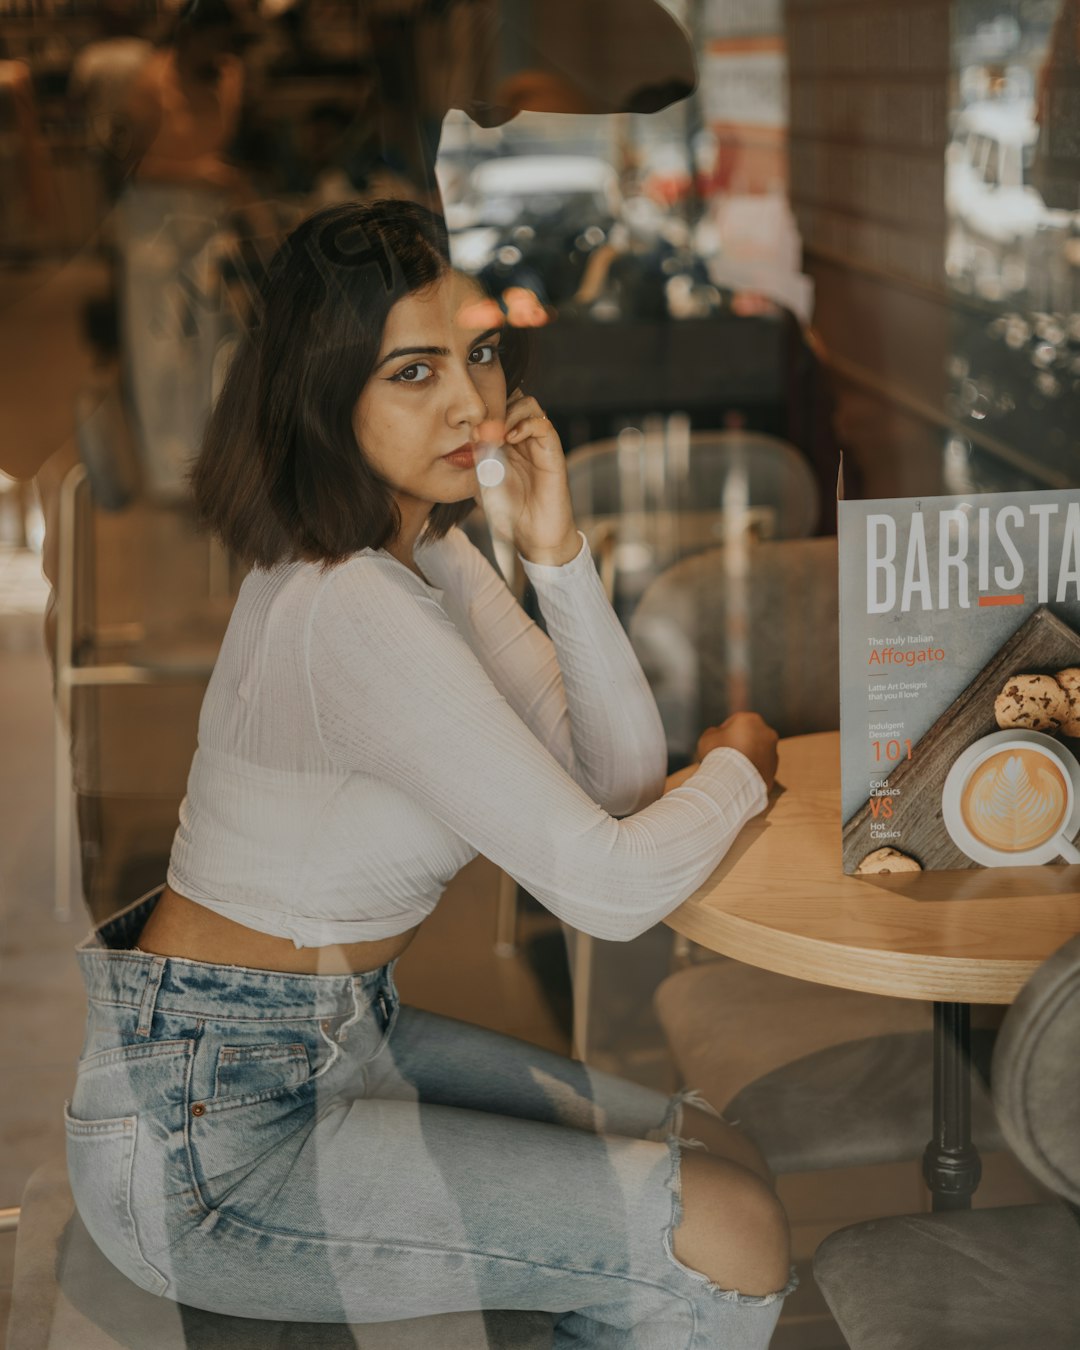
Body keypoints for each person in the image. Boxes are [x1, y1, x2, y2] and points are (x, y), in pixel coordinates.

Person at [66, 197, 792, 1345]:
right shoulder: (346, 601)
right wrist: (741, 768)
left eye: (481, 354)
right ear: (326, 393)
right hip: (214, 1133)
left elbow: (615, 786)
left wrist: (556, 553)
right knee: (728, 1228)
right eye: (414, 372)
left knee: (716, 1154)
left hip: (330, 1039)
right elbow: (610, 891)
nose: (472, 402)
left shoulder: (426, 553)